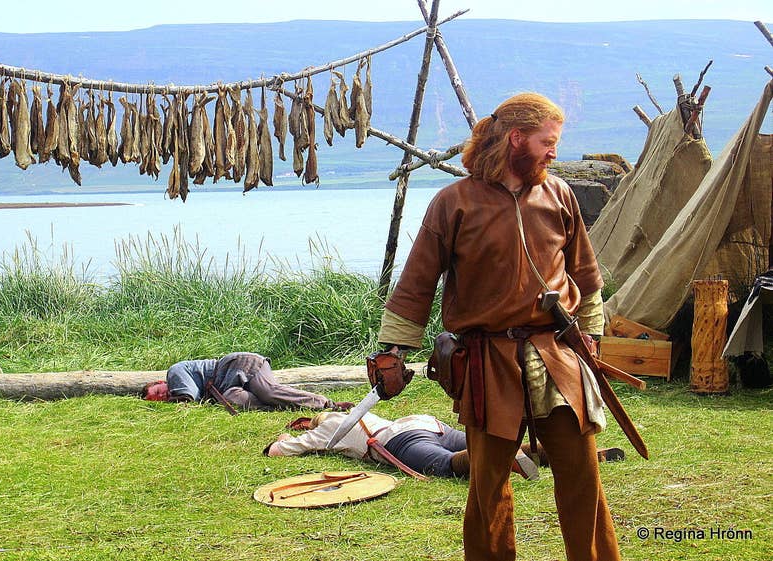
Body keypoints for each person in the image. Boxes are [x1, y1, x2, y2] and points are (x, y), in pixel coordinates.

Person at [377, 93, 621, 560]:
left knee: (582, 479)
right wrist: (394, 350)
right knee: (488, 489)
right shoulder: (454, 203)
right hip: (489, 363)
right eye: (547, 141)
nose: (553, 151)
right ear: (516, 139)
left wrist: (591, 338)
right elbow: (416, 283)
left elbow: (586, 278)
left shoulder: (559, 194)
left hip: (557, 357)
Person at [265, 411, 537, 479]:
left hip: (401, 441)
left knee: (446, 466)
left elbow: (277, 452)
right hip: (427, 424)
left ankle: (500, 456)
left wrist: (283, 439)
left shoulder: (325, 429)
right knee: (471, 443)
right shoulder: (360, 413)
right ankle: (544, 453)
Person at [142, 352, 352, 412]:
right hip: (227, 387)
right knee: (234, 399)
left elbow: (189, 397)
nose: (164, 396)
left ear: (162, 381)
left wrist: (175, 400)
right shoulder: (176, 384)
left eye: (160, 391)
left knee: (268, 391)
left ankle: (327, 404)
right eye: (159, 400)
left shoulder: (175, 371)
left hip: (239, 364)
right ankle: (285, 407)